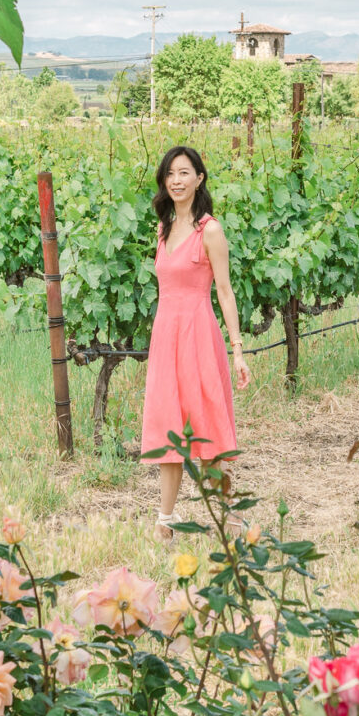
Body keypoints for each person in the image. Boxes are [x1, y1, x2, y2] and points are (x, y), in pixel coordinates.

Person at [141, 145, 251, 542]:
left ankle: (229, 518)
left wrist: (237, 350)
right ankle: (164, 523)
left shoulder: (211, 230)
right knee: (168, 427)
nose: (176, 180)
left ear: (199, 178)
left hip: (199, 337)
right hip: (165, 337)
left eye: (184, 172)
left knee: (207, 430)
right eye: (170, 173)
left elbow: (225, 291)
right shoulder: (163, 228)